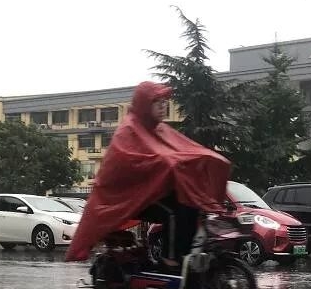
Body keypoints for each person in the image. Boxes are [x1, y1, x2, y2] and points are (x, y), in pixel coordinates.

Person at [65, 81, 231, 266]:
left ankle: (186, 257)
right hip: (129, 197)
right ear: (145, 104)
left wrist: (208, 158)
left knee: (191, 206)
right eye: (157, 101)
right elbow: (139, 161)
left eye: (165, 101)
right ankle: (171, 261)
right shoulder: (128, 130)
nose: (163, 105)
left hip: (152, 192)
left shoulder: (159, 129)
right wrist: (171, 164)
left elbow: (184, 150)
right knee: (173, 214)